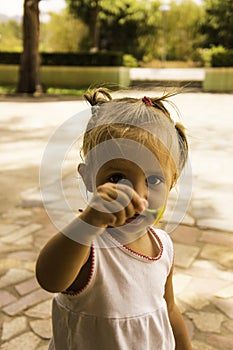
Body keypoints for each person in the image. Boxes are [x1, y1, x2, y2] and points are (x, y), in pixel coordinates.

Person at [36, 88, 192, 350]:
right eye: (117, 178)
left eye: (153, 180)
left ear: (171, 183)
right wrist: (89, 223)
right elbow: (48, 278)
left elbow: (170, 308)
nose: (137, 194)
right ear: (88, 178)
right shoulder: (87, 246)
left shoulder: (163, 246)